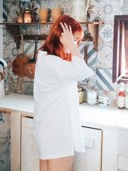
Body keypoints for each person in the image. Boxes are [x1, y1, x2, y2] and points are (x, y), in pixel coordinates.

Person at [33, 15, 94, 171]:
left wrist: (70, 44)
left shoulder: (46, 58)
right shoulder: (51, 62)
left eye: (77, 40)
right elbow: (82, 71)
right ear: (62, 36)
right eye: (74, 39)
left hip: (49, 129)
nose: (77, 44)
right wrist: (71, 45)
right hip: (57, 132)